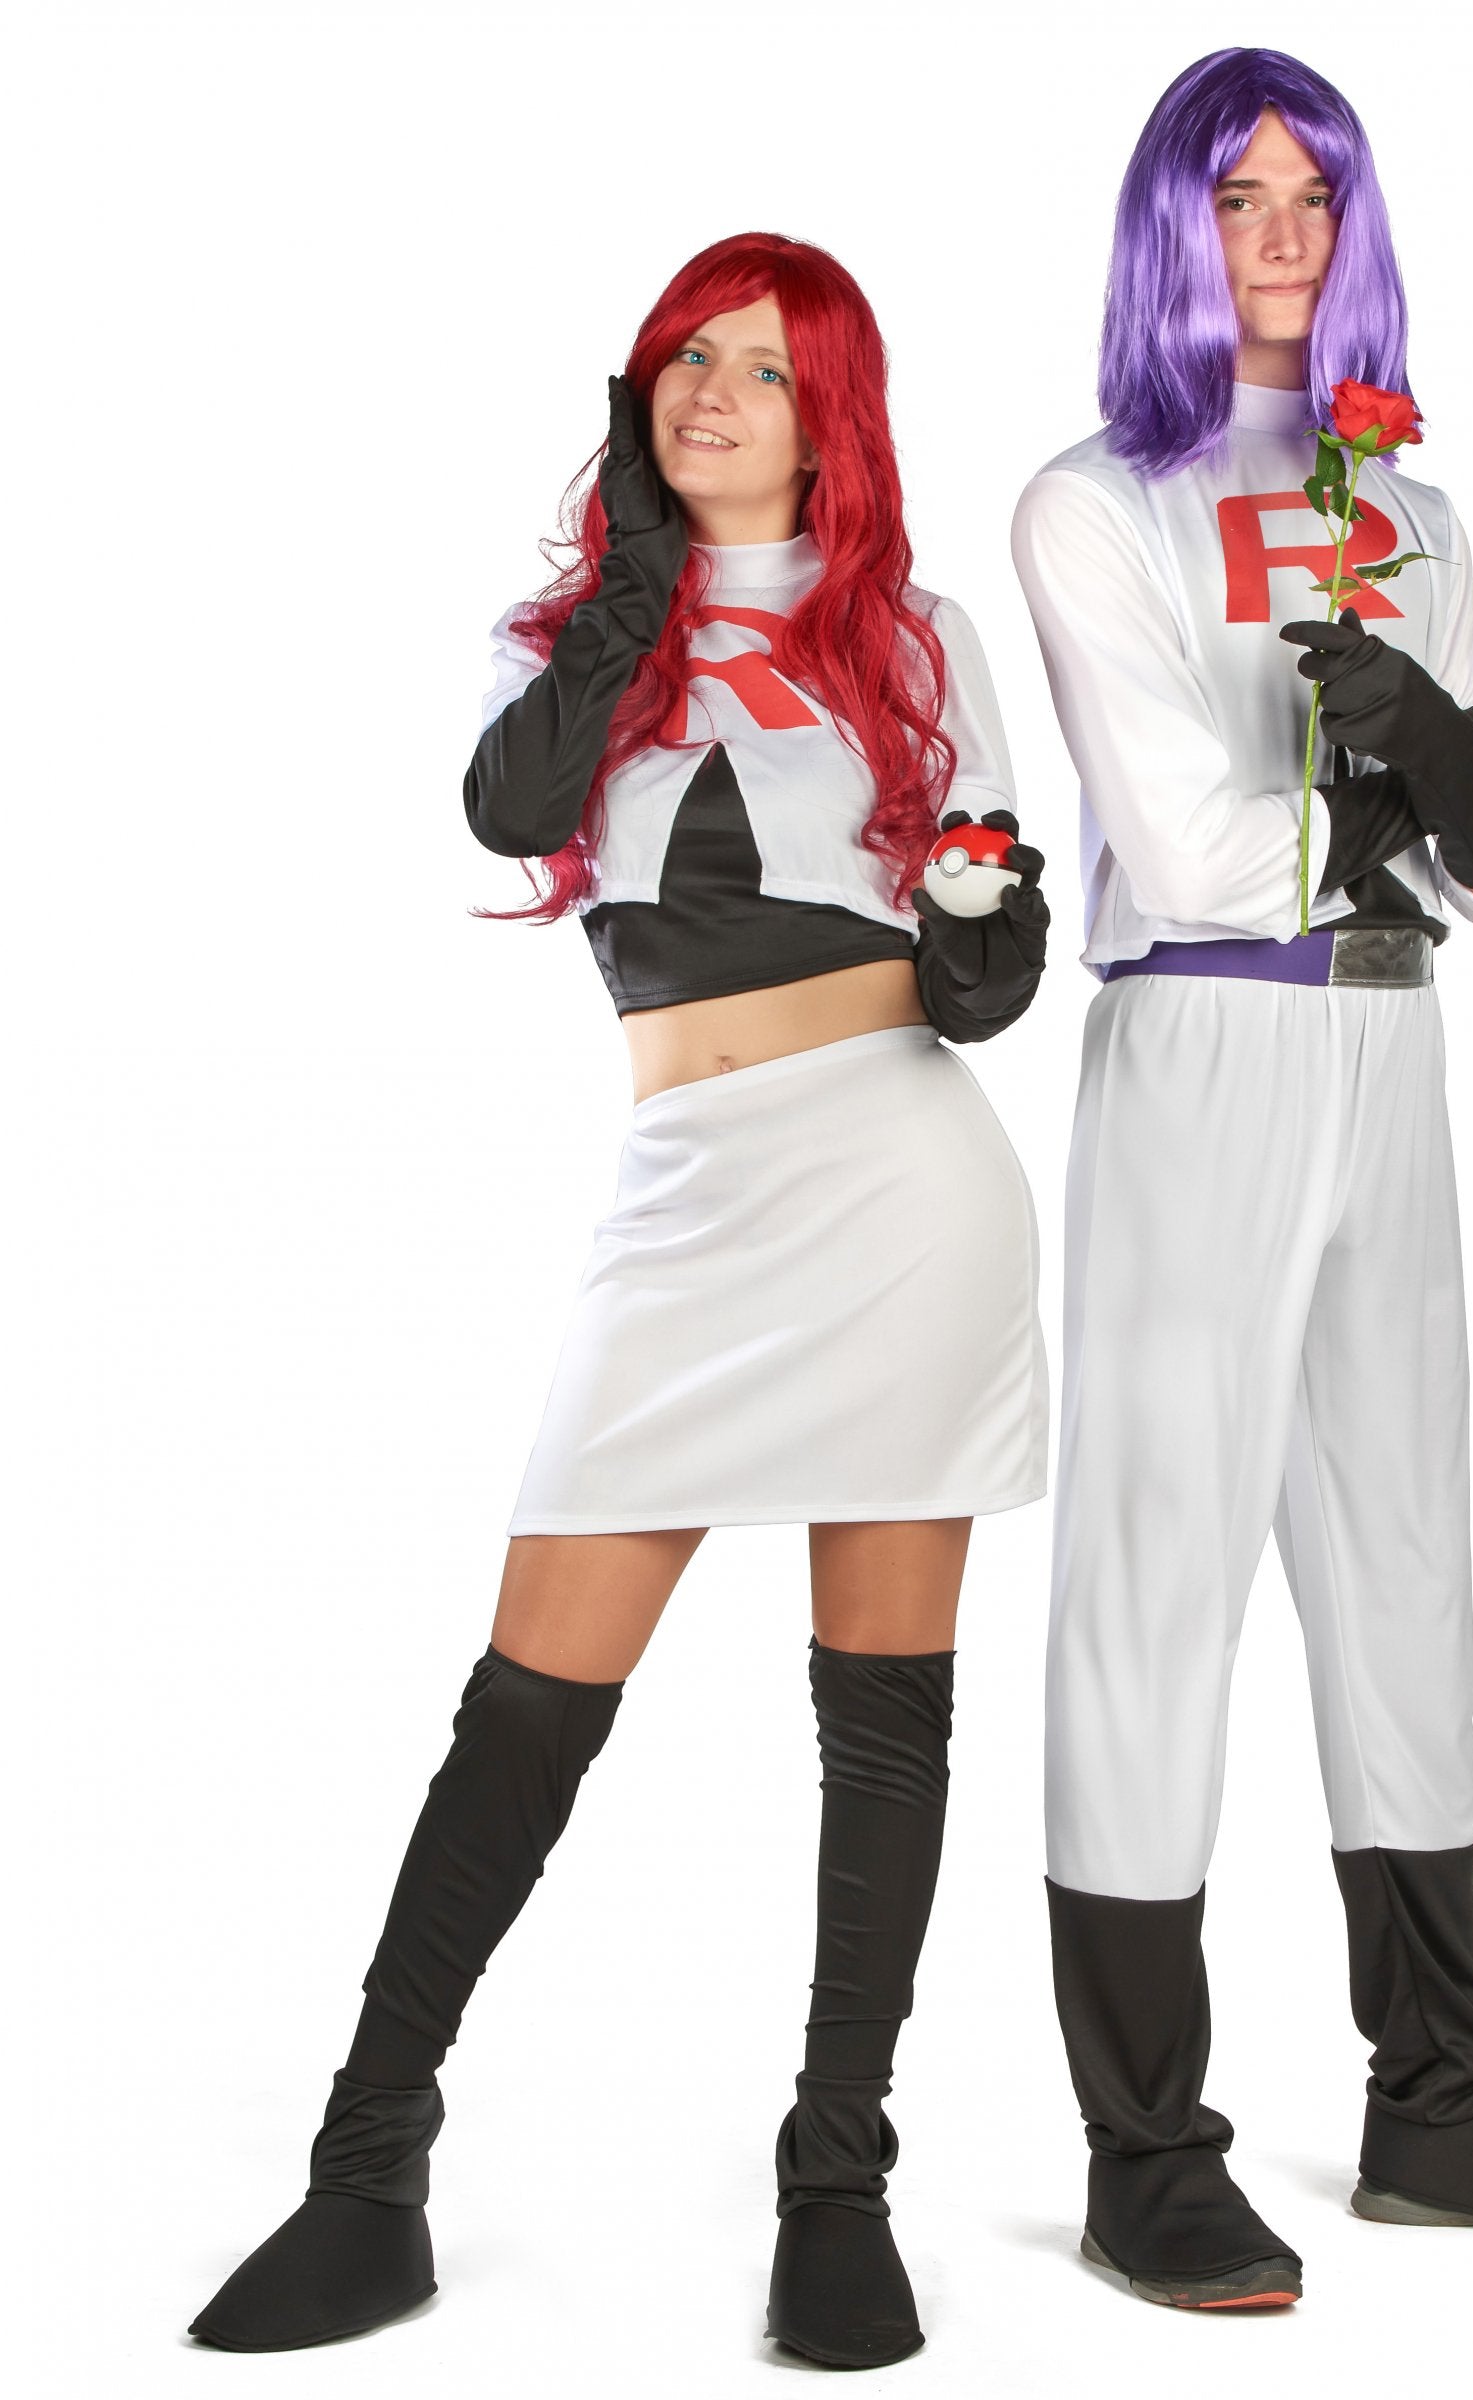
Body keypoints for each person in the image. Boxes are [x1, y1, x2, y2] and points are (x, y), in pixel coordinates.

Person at [188, 231, 1049, 2371]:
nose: (708, 391)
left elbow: (982, 957)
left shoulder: (918, 635)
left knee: (882, 1711)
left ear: (828, 414)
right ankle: (366, 2172)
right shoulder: (562, 632)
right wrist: (638, 594)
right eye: (683, 356)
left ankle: (836, 2179)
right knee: (526, 1702)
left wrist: (984, 943)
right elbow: (511, 804)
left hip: (901, 1186)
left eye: (759, 365)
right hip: (684, 1196)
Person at [1011, 49, 1473, 2312]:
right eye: (1240, 195)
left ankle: (1441, 2095)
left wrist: (1449, 792)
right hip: (1202, 1040)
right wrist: (1417, 786)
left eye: (1315, 194)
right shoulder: (1090, 507)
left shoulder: (1413, 513)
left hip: (1390, 1044)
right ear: (1173, 224)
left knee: (1404, 1555)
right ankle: (1143, 2144)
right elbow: (1193, 846)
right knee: (1160, 1564)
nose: (1284, 235)